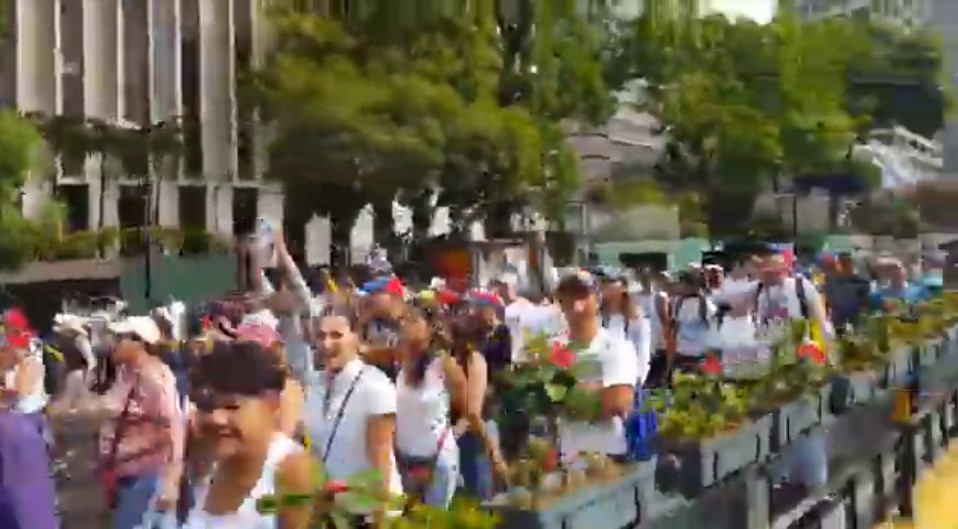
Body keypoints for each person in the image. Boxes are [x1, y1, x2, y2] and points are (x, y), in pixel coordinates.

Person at [184, 340, 314, 529]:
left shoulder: (291, 469)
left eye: (232, 407)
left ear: (271, 404)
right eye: (207, 407)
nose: (216, 418)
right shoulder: (209, 457)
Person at [304, 309, 403, 526]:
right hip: (330, 514)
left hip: (367, 515)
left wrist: (381, 518)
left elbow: (381, 461)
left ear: (355, 338)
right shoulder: (314, 385)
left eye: (336, 335)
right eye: (321, 336)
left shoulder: (374, 386)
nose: (326, 344)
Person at [90, 316, 185, 529]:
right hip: (124, 475)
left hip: (146, 476)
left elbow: (173, 427)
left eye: (119, 338)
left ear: (138, 341)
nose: (113, 344)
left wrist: (171, 480)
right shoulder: (125, 373)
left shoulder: (153, 376)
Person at [553, 270, 638, 463]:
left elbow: (618, 401)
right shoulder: (553, 349)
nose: (575, 301)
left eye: (583, 293)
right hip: (567, 455)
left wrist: (567, 395)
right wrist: (594, 390)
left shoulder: (617, 345)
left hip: (607, 453)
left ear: (596, 299)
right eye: (568, 294)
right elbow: (543, 402)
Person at [394, 306, 466, 507]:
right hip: (404, 461)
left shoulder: (444, 365)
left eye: (414, 320)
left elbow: (462, 409)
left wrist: (445, 440)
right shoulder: (399, 360)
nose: (406, 325)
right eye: (405, 319)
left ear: (429, 328)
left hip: (437, 461)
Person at [599, 277, 651, 385]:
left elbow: (642, 349)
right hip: (602, 376)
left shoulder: (635, 318)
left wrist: (640, 377)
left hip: (627, 377)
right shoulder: (598, 316)